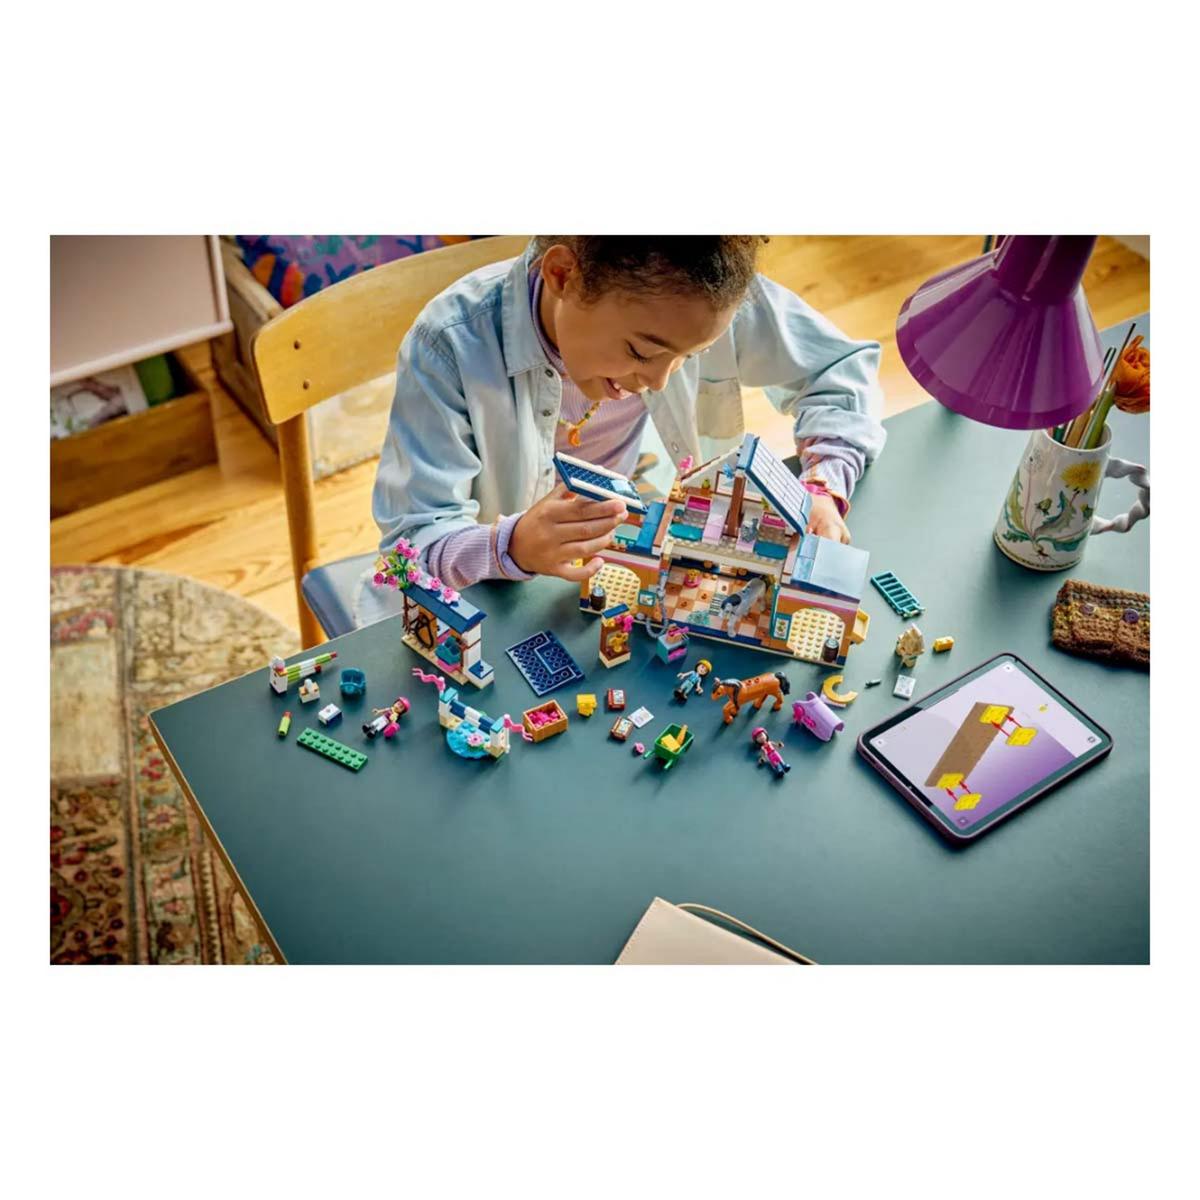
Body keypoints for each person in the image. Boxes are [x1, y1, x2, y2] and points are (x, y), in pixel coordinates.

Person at [358, 236, 885, 626]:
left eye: (690, 358)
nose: (658, 382)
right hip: (485, 600)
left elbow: (840, 370)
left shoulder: (695, 297)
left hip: (603, 578)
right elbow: (409, 550)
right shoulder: (449, 346)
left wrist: (823, 485)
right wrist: (509, 545)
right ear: (562, 274)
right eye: (641, 351)